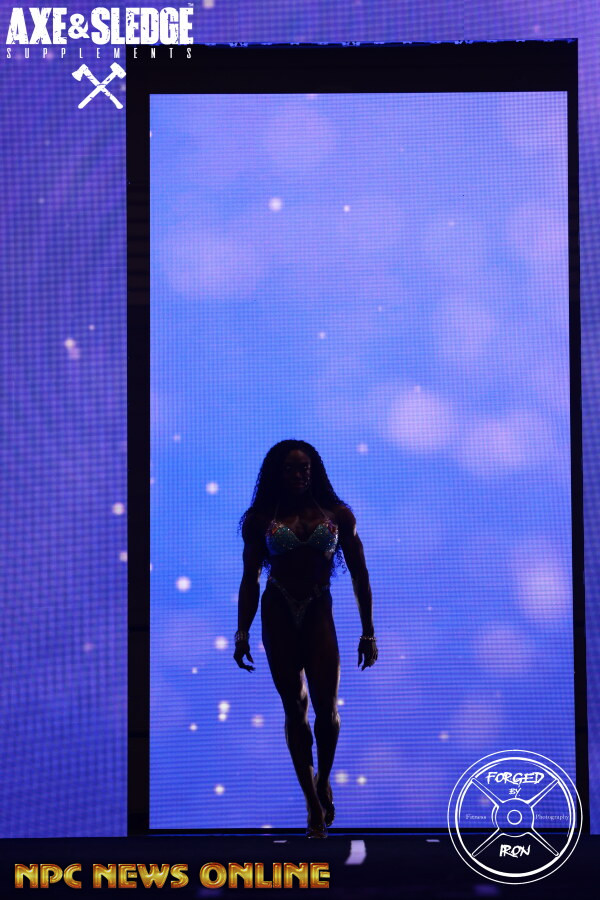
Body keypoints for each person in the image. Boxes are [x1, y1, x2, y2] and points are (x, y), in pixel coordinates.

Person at [234, 440, 378, 838]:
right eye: (291, 469)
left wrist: (368, 631)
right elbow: (250, 579)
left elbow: (361, 575)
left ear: (314, 472)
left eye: (305, 469)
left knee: (326, 709)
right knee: (294, 708)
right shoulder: (260, 519)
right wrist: (242, 631)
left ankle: (323, 778)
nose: (299, 475)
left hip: (318, 610)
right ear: (276, 473)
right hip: (277, 610)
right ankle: (312, 805)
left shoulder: (338, 515)